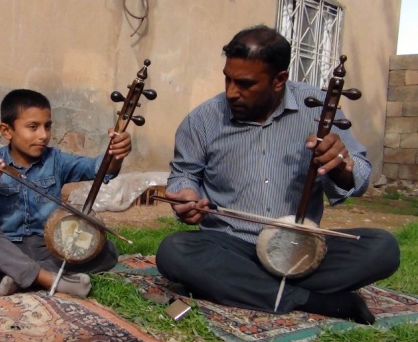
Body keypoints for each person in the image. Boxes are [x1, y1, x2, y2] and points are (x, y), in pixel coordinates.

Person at [156, 25, 400, 325]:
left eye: (245, 84)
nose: (231, 92)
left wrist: (341, 167)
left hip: (302, 250)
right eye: (228, 79)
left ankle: (239, 286)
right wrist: (186, 195)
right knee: (174, 251)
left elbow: (359, 178)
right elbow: (184, 175)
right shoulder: (203, 120)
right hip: (231, 246)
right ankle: (313, 300)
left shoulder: (320, 109)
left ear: (279, 80)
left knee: (382, 248)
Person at [0, 89, 131, 297]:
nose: (43, 135)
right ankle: (51, 279)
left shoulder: (56, 160)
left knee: (108, 251)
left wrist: (116, 155)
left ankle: (24, 277)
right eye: (33, 127)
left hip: (49, 249)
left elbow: (98, 168)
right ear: (7, 131)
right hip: (8, 248)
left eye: (47, 126)